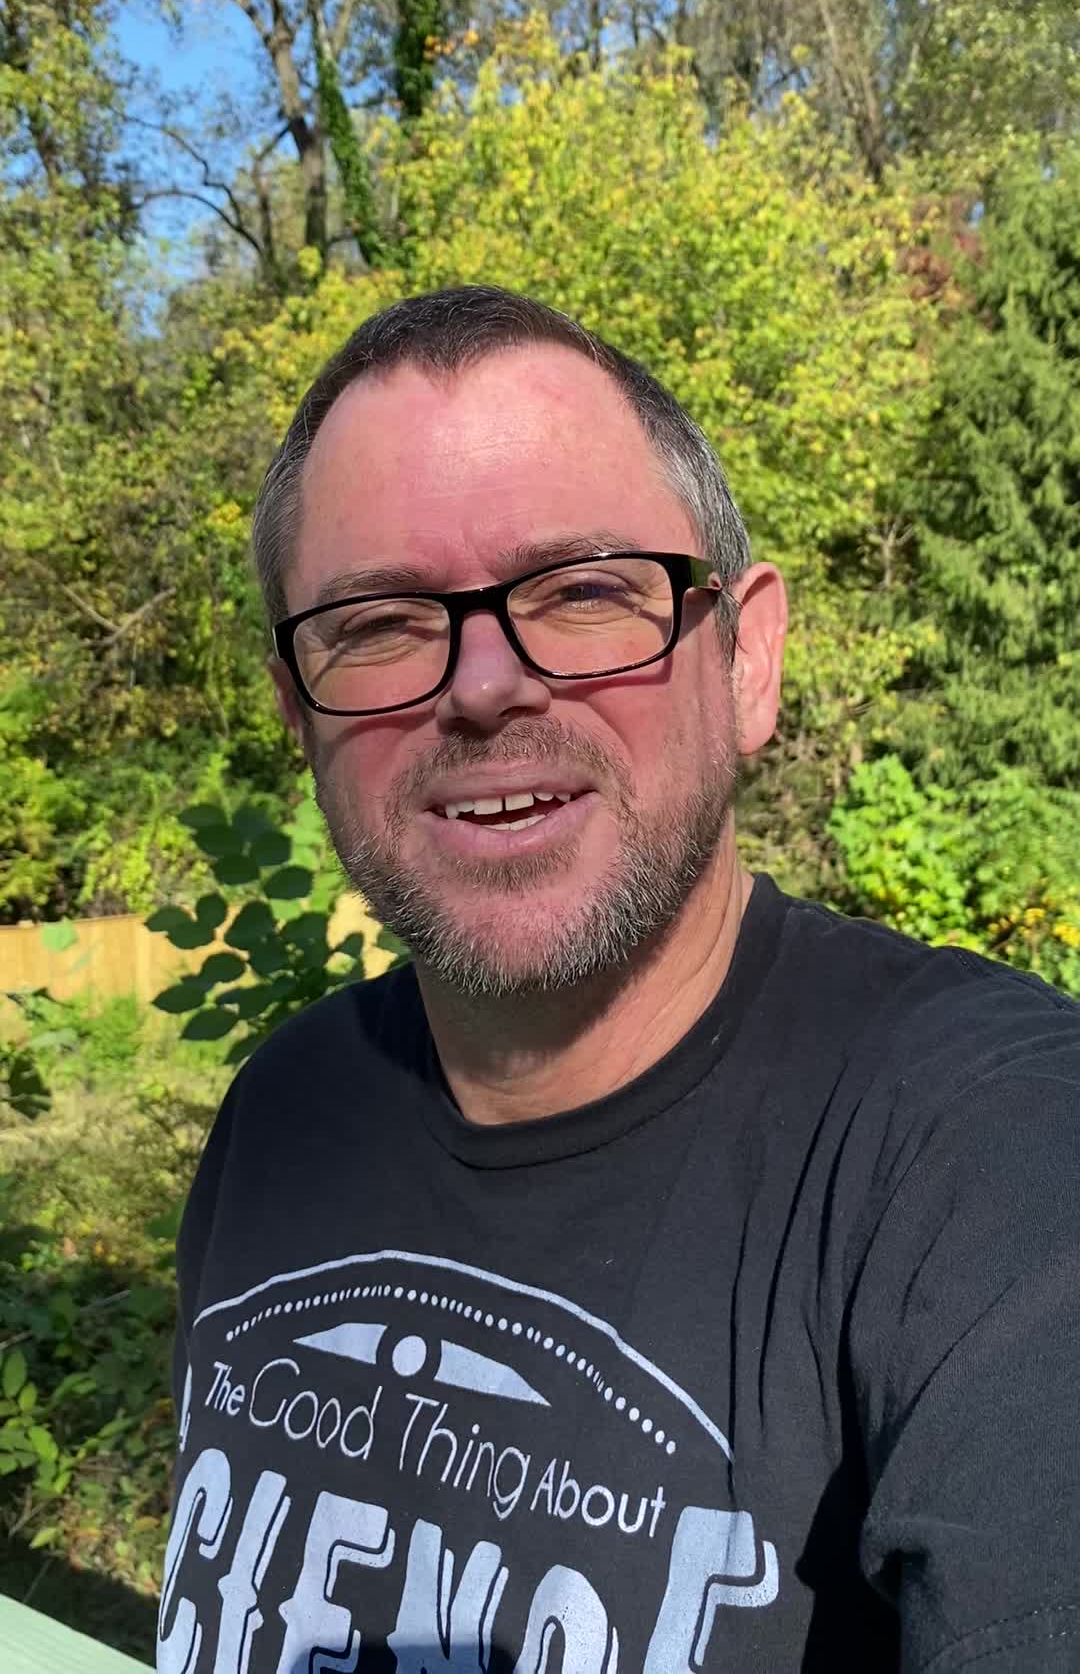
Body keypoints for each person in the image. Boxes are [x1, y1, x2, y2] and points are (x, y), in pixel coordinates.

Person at [159, 285, 1080, 1674]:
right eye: (379, 622)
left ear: (745, 657)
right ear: (298, 710)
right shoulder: (283, 1113)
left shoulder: (992, 1158)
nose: (481, 687)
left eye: (585, 592)